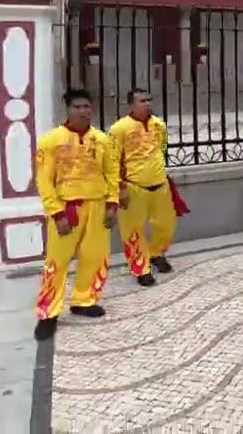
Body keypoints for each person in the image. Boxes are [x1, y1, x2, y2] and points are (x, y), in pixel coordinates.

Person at [33, 88, 120, 341]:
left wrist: (112, 204)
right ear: (68, 110)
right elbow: (44, 180)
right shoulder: (50, 141)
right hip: (66, 208)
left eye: (86, 106)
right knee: (56, 263)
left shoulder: (102, 140)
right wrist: (56, 213)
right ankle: (48, 313)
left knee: (95, 257)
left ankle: (84, 300)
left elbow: (112, 173)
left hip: (98, 205)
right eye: (77, 107)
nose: (83, 111)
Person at [109, 88, 185, 286]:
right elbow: (112, 160)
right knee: (133, 230)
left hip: (160, 184)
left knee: (165, 224)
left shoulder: (158, 125)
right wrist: (120, 187)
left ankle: (156, 253)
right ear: (131, 105)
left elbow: (162, 148)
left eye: (149, 99)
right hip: (134, 186)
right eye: (142, 100)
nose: (147, 103)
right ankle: (139, 267)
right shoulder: (119, 129)